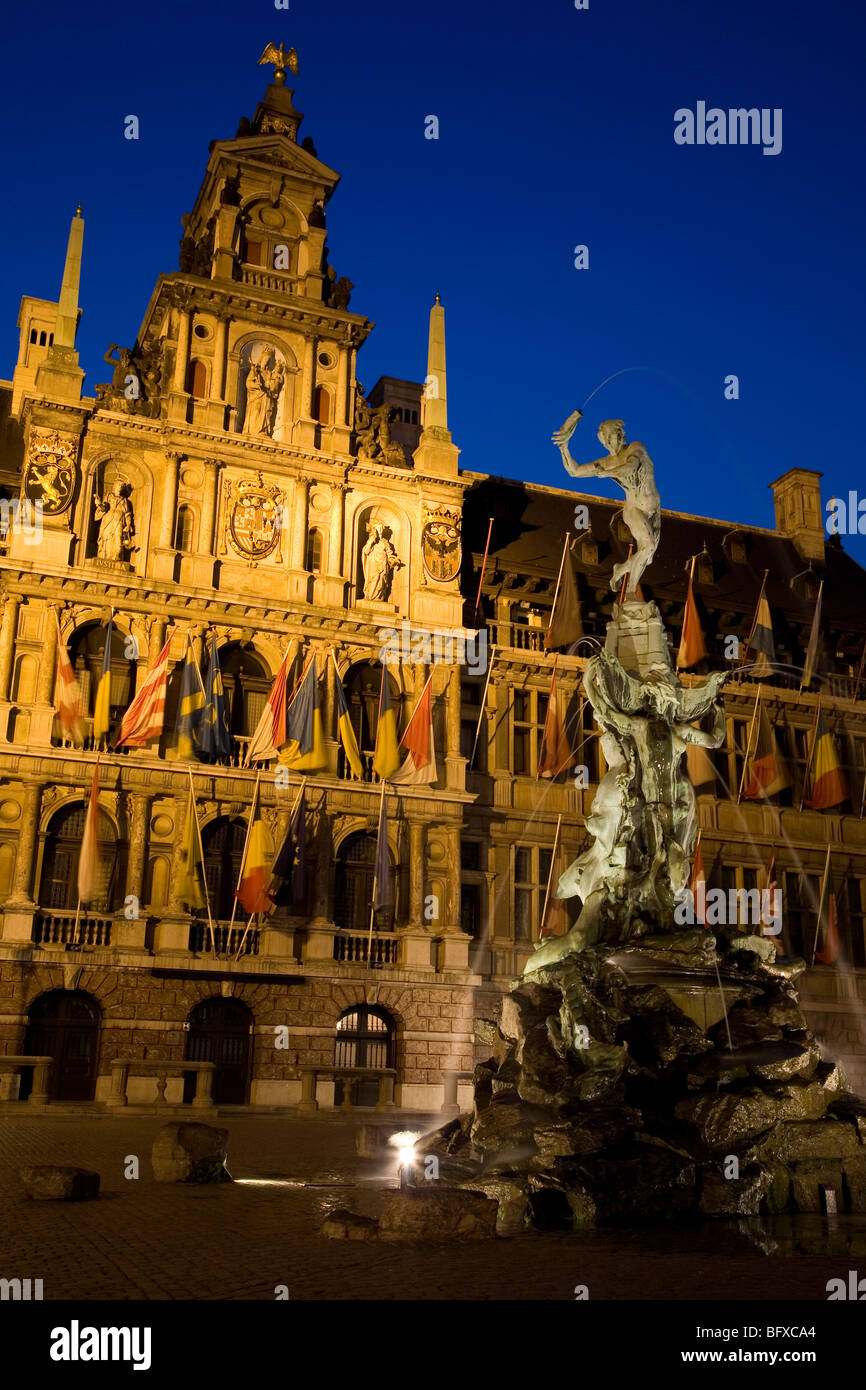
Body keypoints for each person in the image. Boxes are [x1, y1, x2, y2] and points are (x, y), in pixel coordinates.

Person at [554, 411, 660, 593]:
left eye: (612, 439)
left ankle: (620, 569)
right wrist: (564, 447)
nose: (610, 445)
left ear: (620, 435)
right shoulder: (608, 462)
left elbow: (631, 466)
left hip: (654, 510)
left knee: (647, 557)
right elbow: (575, 471)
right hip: (634, 508)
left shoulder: (635, 448)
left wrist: (609, 472)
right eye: (605, 442)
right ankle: (631, 593)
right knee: (648, 546)